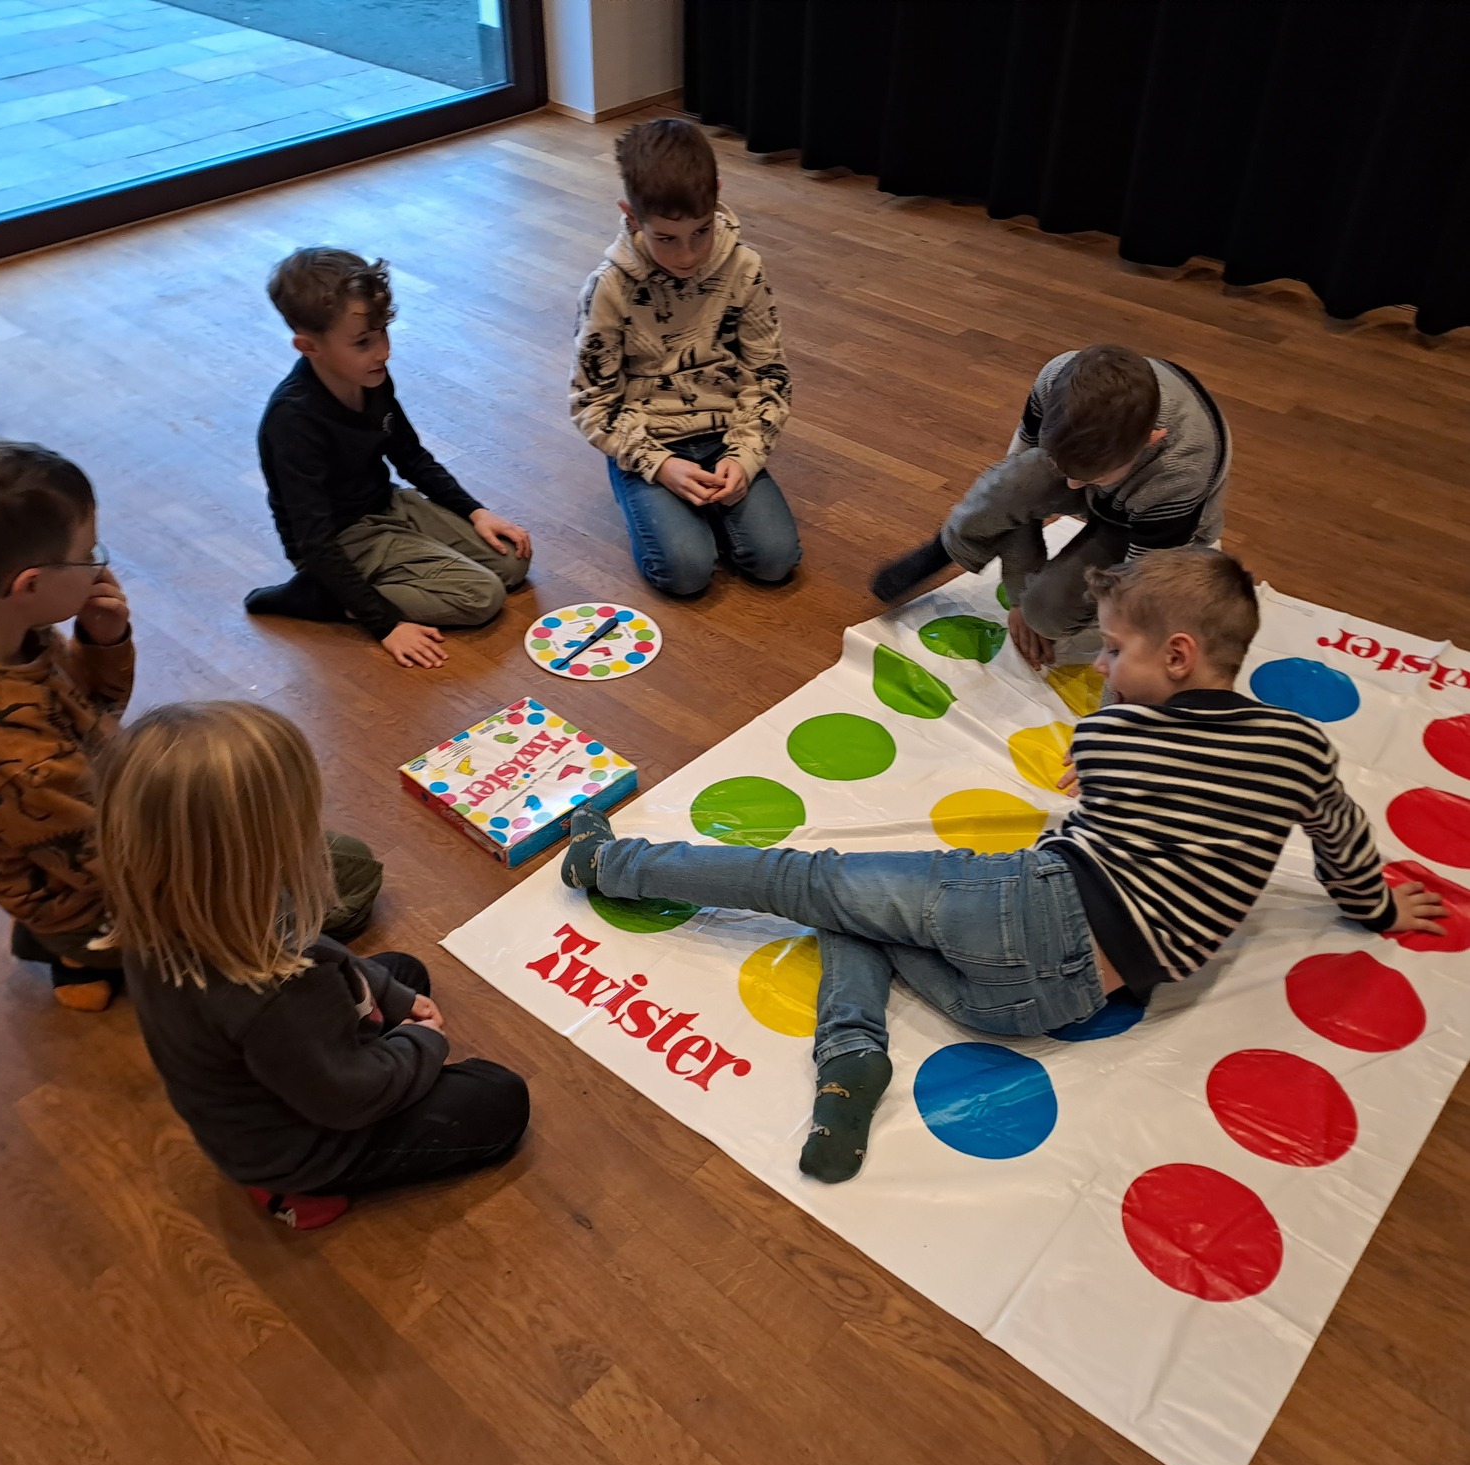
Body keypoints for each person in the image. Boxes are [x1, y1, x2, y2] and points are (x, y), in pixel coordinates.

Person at [561, 548, 1446, 1184]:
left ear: (1176, 656)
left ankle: (614, 863)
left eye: (1112, 649)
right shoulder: (1299, 745)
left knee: (811, 883)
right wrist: (1375, 911)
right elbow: (1343, 840)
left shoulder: (1110, 734)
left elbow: (1102, 784)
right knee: (855, 912)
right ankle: (851, 1060)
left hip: (1031, 911)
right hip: (1039, 1007)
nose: (1100, 665)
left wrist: (1110, 728)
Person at [98, 700, 530, 1230]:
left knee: (401, 971)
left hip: (264, 1091)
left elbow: (315, 947)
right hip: (304, 1144)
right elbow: (349, 1097)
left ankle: (375, 1041)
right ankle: (292, 1190)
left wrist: (390, 996)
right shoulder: (275, 994)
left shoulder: (175, 909)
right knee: (498, 1099)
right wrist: (423, 1044)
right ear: (259, 848)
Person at [245, 248, 533, 669]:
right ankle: (322, 595)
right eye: (363, 342)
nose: (383, 351)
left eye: (383, 332)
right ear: (308, 347)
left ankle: (370, 580)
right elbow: (314, 538)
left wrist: (474, 511)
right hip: (338, 539)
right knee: (481, 597)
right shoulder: (292, 420)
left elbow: (411, 456)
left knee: (512, 563)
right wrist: (385, 625)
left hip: (388, 506)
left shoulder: (371, 376)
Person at [873, 345, 1231, 671]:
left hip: (1146, 524)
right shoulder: (1058, 377)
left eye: (1091, 477)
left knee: (1048, 618)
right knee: (1011, 485)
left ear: (1150, 442)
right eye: (1065, 471)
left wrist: (1110, 718)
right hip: (1112, 484)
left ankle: (978, 548)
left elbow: (1131, 598)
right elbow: (1011, 478)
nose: (1073, 488)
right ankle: (947, 545)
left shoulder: (1179, 472)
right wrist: (1017, 595)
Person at [570, 117, 802, 596]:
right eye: (667, 238)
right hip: (649, 441)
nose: (688, 255)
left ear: (716, 196)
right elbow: (592, 404)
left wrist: (745, 456)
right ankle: (667, 503)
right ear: (631, 217)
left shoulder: (745, 269)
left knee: (776, 561)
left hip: (726, 433)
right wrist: (658, 464)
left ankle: (706, 506)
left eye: (701, 232)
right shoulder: (608, 289)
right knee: (685, 573)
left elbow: (769, 376)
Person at [0, 436, 135, 1011]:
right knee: (322, 889)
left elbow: (100, 715)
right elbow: (104, 861)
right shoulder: (4, 741)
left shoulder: (15, 633)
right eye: (89, 554)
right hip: (90, 896)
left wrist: (103, 641)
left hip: (96, 827)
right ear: (30, 585)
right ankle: (79, 950)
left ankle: (71, 948)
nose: (100, 567)